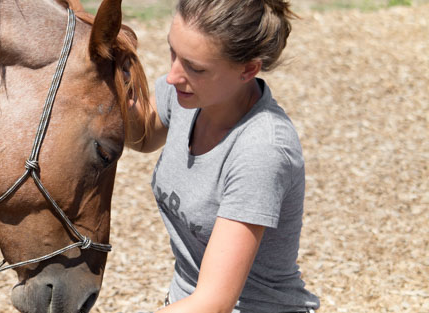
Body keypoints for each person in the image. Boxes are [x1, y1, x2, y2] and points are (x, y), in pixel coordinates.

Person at [124, 0, 320, 312]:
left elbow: (214, 303)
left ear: (248, 69)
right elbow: (142, 134)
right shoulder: (187, 94)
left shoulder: (262, 149)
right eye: (172, 52)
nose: (172, 75)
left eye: (195, 67)